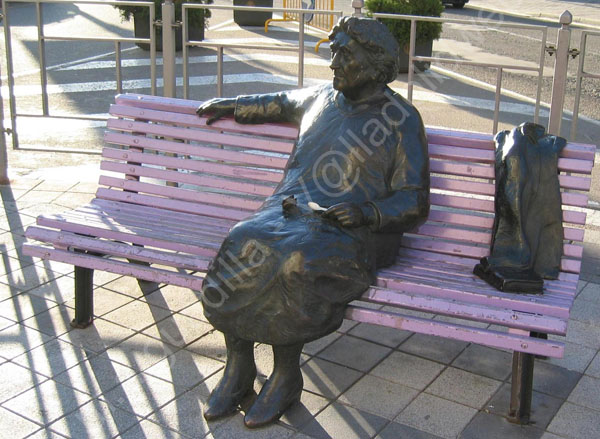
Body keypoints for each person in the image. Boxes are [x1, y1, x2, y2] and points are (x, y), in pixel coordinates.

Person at [196, 16, 430, 428]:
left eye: (343, 52)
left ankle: (286, 376)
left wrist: (368, 212)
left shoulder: (400, 118)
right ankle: (239, 366)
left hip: (359, 230)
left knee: (295, 257)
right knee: (241, 239)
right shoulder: (321, 97)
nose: (333, 63)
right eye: (333, 51)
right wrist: (233, 105)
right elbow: (279, 102)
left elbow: (414, 201)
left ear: (373, 61)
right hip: (291, 212)